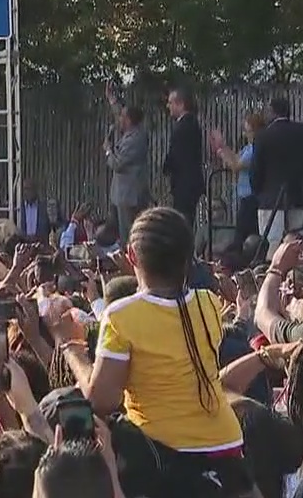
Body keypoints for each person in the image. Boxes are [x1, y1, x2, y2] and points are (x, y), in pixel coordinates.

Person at [84, 207, 251, 496]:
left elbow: (101, 401)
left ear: (131, 256)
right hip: (226, 446)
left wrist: (70, 347)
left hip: (162, 455)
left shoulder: (120, 316)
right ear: (188, 259)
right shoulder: (209, 303)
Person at [249, 97, 303, 262]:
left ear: (272, 112)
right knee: (299, 240)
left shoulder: (263, 136)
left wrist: (258, 193)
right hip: (299, 195)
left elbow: (255, 170)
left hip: (270, 197)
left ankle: (273, 276)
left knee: (272, 242)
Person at [208, 112, 265, 261]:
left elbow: (236, 165)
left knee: (241, 236)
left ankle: (238, 263)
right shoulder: (248, 148)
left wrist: (220, 151)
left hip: (252, 197)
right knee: (244, 234)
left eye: (248, 131)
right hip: (245, 196)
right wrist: (223, 146)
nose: (246, 134)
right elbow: (235, 158)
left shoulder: (256, 149)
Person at [104, 105, 151, 242]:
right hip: (123, 196)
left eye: (122, 117)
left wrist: (108, 151)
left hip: (130, 197)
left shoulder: (136, 139)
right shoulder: (130, 135)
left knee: (130, 237)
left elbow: (118, 164)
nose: (119, 119)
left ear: (128, 120)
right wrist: (112, 102)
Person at [163, 88, 205, 226]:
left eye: (170, 103)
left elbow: (178, 155)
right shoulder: (191, 124)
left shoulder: (183, 127)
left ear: (180, 104)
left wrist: (167, 166)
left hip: (184, 184)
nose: (168, 106)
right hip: (189, 183)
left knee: (183, 222)